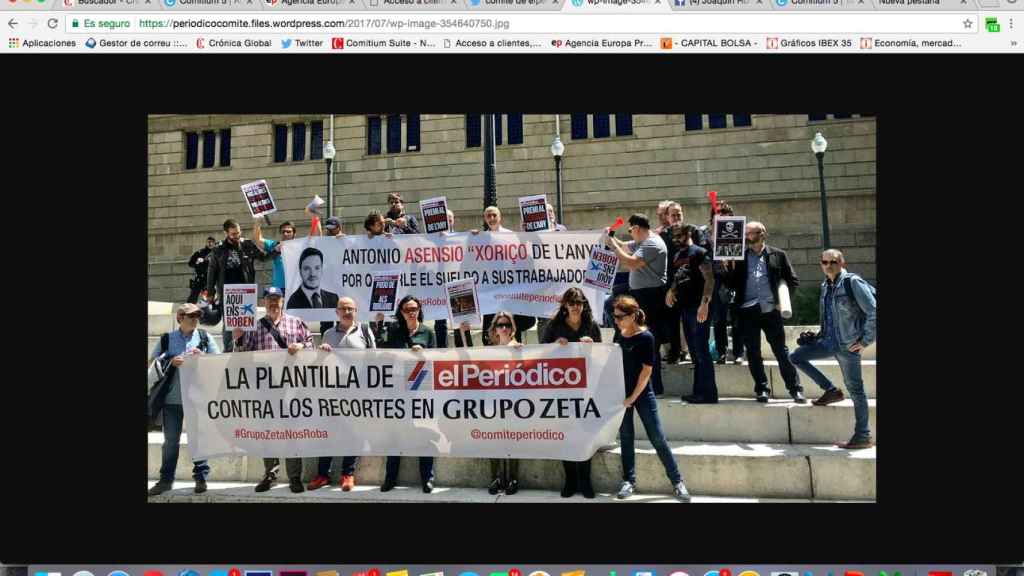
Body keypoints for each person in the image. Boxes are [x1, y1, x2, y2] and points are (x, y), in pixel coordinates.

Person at [790, 249, 877, 450]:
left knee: (856, 389)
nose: (829, 266)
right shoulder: (825, 285)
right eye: (825, 262)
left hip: (848, 346)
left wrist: (865, 341)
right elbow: (829, 317)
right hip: (829, 341)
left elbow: (873, 311)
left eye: (833, 262)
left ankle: (863, 435)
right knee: (795, 356)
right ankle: (831, 390)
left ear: (842, 263)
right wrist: (817, 335)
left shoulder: (851, 282)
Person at [233, 286, 314, 493]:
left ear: (282, 301)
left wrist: (301, 347)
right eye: (269, 299)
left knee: (291, 433)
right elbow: (243, 354)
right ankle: (270, 475)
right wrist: (239, 337)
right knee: (267, 433)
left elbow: (311, 345)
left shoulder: (295, 322)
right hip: (265, 389)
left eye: (276, 299)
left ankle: (294, 477)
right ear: (264, 302)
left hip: (290, 387)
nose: (273, 303)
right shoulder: (254, 326)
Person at [611, 295, 691, 502]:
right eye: (615, 317)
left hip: (642, 393)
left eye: (620, 317)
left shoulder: (646, 337)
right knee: (626, 438)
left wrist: (632, 398)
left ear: (632, 316)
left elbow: (646, 372)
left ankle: (677, 481)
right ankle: (628, 480)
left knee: (657, 437)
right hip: (622, 393)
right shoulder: (618, 335)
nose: (616, 320)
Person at [724, 221, 805, 403]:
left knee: (781, 351)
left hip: (770, 310)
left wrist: (781, 302)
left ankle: (795, 389)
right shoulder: (738, 257)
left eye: (752, 233)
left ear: (762, 234)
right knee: (753, 352)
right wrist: (727, 267)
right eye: (747, 234)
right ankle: (762, 389)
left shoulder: (778, 255)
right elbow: (729, 283)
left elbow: (792, 280)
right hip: (747, 311)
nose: (748, 237)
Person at [306, 297, 379, 491]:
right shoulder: (328, 333)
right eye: (343, 308)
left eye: (351, 308)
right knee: (327, 433)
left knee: (353, 433)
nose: (347, 311)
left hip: (357, 392)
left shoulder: (365, 331)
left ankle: (348, 474)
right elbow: (318, 364)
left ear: (356, 311)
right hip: (332, 392)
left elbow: (374, 359)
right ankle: (323, 475)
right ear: (336, 312)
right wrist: (321, 353)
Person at [147, 303, 219, 496]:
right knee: (171, 441)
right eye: (191, 315)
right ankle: (165, 480)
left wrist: (203, 356)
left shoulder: (205, 338)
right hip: (172, 400)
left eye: (197, 315)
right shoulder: (166, 340)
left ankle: (201, 478)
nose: (195, 318)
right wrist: (171, 361)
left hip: (197, 400)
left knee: (198, 440)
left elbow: (219, 363)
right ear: (179, 318)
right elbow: (152, 364)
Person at [540, 288, 602, 499]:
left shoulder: (591, 326)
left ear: (584, 305)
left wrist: (593, 347)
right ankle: (571, 480)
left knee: (585, 434)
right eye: (571, 302)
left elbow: (603, 354)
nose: (576, 306)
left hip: (586, 387)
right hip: (561, 389)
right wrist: (556, 347)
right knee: (566, 434)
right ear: (565, 305)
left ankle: (585, 481)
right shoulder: (554, 326)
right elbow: (541, 353)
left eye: (579, 302)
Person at [603, 213, 667, 396]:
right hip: (640, 293)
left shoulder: (652, 244)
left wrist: (611, 245)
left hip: (650, 296)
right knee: (611, 303)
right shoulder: (642, 241)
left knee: (650, 341)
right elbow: (625, 247)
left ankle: (655, 387)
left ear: (637, 229)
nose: (630, 233)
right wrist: (612, 238)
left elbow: (630, 262)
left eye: (630, 230)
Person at [381, 295, 437, 493]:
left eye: (414, 308)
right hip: (397, 391)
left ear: (419, 309)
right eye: (407, 309)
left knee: (424, 437)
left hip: (421, 391)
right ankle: (390, 479)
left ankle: (427, 479)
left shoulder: (428, 332)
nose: (411, 312)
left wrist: (423, 353)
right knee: (394, 437)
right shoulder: (395, 331)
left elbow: (437, 361)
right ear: (401, 312)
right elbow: (383, 354)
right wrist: (379, 325)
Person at [665, 224, 718, 403]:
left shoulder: (699, 252)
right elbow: (678, 276)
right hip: (685, 308)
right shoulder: (677, 255)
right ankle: (699, 392)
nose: (676, 239)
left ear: (688, 234)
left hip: (698, 307)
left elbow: (709, 279)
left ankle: (709, 394)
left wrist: (705, 304)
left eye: (679, 236)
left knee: (702, 351)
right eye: (673, 236)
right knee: (695, 353)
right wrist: (671, 290)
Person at [473, 206, 536, 343]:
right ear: (485, 219)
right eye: (488, 216)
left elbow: (524, 255)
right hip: (491, 291)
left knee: (511, 328)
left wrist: (525, 234)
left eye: (494, 215)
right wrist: (469, 237)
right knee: (490, 333)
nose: (491, 218)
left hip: (509, 291)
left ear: (500, 217)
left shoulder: (511, 236)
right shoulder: (481, 238)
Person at [206, 218, 268, 352]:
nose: (237, 236)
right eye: (233, 234)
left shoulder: (246, 245)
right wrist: (210, 293)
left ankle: (248, 348)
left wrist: (276, 249)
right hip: (227, 293)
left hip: (246, 291)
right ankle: (229, 351)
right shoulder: (218, 250)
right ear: (226, 233)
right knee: (229, 325)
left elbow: (263, 256)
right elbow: (212, 272)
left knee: (248, 322)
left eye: (238, 233)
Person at [482, 310, 522, 495]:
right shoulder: (490, 351)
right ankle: (495, 478)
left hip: (514, 403)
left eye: (507, 324)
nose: (504, 328)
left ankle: (513, 478)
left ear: (512, 328)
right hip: (493, 402)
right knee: (493, 439)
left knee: (514, 440)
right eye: (500, 325)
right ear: (495, 329)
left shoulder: (520, 348)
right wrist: (464, 332)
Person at [433, 210, 467, 349]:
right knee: (440, 320)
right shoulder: (432, 238)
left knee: (460, 318)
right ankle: (442, 349)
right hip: (439, 282)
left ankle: (462, 349)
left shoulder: (461, 237)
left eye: (450, 218)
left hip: (457, 282)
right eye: (445, 218)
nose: (448, 221)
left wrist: (477, 235)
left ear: (454, 220)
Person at [659, 202, 687, 364]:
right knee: (672, 322)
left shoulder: (693, 232)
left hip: (691, 286)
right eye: (673, 215)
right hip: (671, 286)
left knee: (690, 322)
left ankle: (689, 351)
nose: (676, 217)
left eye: (679, 214)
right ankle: (675, 352)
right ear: (667, 218)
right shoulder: (662, 237)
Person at [252, 221, 296, 292]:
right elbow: (258, 239)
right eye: (283, 232)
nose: (285, 233)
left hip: (296, 287)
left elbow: (317, 240)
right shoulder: (275, 245)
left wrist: (316, 218)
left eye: (288, 232)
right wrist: (258, 221)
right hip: (279, 288)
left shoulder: (300, 246)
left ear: (294, 234)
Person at [186, 237, 217, 304]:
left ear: (214, 243)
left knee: (212, 296)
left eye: (212, 242)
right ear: (206, 243)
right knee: (193, 295)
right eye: (208, 242)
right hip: (200, 277)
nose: (210, 244)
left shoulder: (217, 253)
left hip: (212, 278)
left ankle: (214, 310)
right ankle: (189, 309)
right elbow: (190, 263)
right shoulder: (200, 252)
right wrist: (197, 262)